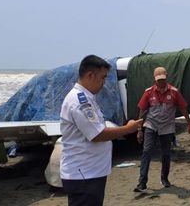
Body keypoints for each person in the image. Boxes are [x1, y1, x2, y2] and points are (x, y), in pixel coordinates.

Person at [60, 55, 142, 206]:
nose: (104, 83)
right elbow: (97, 134)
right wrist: (127, 129)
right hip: (84, 174)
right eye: (103, 78)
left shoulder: (87, 98)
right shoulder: (79, 101)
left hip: (89, 172)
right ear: (90, 75)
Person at [134, 66, 190, 192]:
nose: (161, 82)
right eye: (158, 80)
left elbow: (183, 108)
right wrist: (139, 129)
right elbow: (142, 110)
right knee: (147, 151)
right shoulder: (148, 92)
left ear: (166, 78)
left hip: (167, 127)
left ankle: (164, 179)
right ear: (154, 80)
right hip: (151, 125)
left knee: (166, 154)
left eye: (163, 79)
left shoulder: (174, 92)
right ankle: (142, 182)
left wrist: (189, 124)